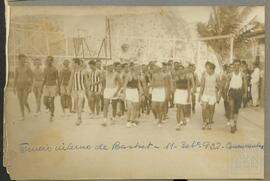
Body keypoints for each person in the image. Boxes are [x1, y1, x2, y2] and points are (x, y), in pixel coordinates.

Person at [225, 59, 247, 133]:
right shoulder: (230, 74)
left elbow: (245, 85)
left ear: (240, 66)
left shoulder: (243, 74)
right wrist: (225, 94)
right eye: (235, 65)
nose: (236, 66)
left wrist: (245, 94)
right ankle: (232, 126)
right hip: (232, 92)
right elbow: (227, 85)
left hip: (239, 92)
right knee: (231, 108)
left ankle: (235, 123)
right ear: (233, 66)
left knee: (236, 110)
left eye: (238, 65)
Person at [199, 62, 221, 130]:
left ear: (212, 69)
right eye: (206, 68)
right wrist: (200, 95)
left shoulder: (216, 75)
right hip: (205, 94)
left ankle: (210, 123)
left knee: (211, 110)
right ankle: (204, 122)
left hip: (213, 95)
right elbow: (202, 86)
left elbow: (220, 86)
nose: (206, 69)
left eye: (208, 68)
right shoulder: (204, 75)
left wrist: (218, 95)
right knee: (204, 109)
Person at [68, 58, 88, 126]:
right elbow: (71, 80)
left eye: (73, 63)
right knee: (76, 104)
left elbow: (86, 81)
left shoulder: (83, 71)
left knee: (79, 104)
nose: (72, 64)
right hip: (75, 90)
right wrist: (69, 89)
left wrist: (88, 90)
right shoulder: (73, 71)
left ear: (76, 63)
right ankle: (79, 117)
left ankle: (79, 118)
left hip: (81, 90)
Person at [101, 61, 122, 126]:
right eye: (109, 66)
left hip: (114, 90)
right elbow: (104, 83)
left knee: (114, 106)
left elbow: (120, 84)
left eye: (111, 66)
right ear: (107, 67)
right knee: (105, 105)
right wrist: (102, 90)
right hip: (107, 90)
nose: (110, 67)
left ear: (113, 66)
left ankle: (113, 118)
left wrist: (117, 92)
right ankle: (104, 120)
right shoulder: (104, 73)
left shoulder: (116, 74)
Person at [13, 54, 33, 120]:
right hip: (19, 86)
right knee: (20, 101)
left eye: (24, 59)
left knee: (24, 100)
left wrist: (31, 86)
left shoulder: (27, 68)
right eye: (22, 59)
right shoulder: (17, 68)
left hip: (26, 86)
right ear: (19, 60)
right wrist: (14, 87)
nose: (23, 60)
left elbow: (31, 76)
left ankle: (28, 107)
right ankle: (22, 115)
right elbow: (15, 78)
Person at [174, 64, 191, 131]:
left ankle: (183, 119)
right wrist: (174, 94)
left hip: (184, 93)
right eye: (179, 69)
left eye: (182, 69)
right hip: (178, 93)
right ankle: (178, 124)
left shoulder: (187, 77)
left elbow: (189, 87)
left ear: (183, 70)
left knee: (184, 108)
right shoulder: (176, 77)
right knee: (178, 108)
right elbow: (175, 86)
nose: (181, 70)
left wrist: (188, 96)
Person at [42, 56, 59, 121]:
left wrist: (58, 88)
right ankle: (49, 108)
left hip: (53, 86)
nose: (49, 61)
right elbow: (44, 79)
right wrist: (41, 87)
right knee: (45, 101)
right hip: (46, 86)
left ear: (52, 61)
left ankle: (52, 115)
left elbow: (57, 79)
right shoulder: (45, 69)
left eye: (50, 60)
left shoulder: (55, 69)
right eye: (48, 60)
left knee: (52, 101)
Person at [150, 62, 166, 128]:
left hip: (162, 91)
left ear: (159, 68)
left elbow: (166, 85)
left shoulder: (164, 75)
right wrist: (151, 90)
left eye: (155, 67)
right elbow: (152, 84)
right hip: (155, 91)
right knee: (153, 107)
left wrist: (167, 93)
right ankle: (157, 117)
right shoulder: (154, 75)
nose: (154, 68)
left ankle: (160, 121)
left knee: (160, 107)